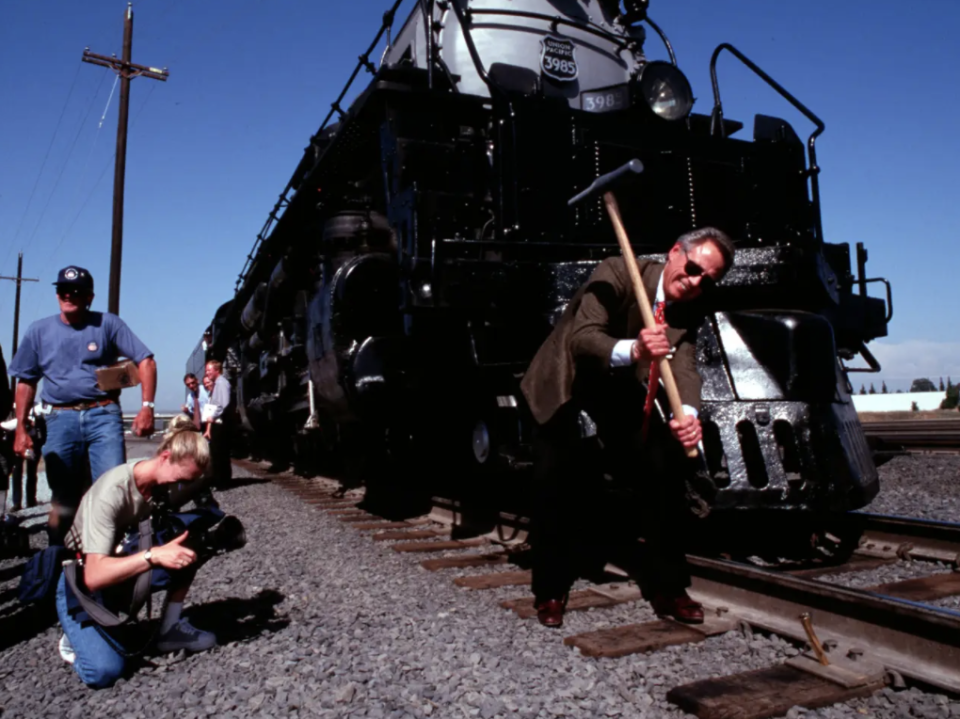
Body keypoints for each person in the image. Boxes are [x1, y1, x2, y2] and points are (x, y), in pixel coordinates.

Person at [520, 227, 735, 628]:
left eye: (707, 279)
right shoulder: (616, 271)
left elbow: (683, 364)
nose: (693, 282)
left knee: (663, 468)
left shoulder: (690, 305)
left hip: (619, 389)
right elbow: (582, 339)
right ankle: (549, 589)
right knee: (555, 478)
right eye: (691, 269)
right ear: (674, 252)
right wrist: (635, 348)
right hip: (567, 381)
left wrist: (685, 413)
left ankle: (669, 586)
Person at [56, 416, 217, 688]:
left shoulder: (156, 487)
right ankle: (75, 635)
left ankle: (169, 629)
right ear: (165, 457)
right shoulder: (113, 492)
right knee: (106, 670)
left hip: (118, 565)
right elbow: (93, 576)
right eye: (180, 479)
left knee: (190, 544)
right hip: (80, 580)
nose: (179, 488)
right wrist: (152, 555)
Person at [8, 266, 157, 545]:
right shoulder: (39, 331)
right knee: (63, 495)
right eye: (63, 290)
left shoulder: (108, 324)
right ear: (57, 295)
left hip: (103, 414)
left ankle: (110, 554)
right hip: (59, 418)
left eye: (76, 291)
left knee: (111, 487)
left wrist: (147, 406)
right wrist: (20, 428)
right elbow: (26, 381)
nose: (69, 295)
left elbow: (146, 360)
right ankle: (57, 557)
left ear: (89, 296)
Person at [203, 360, 232, 488]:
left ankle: (222, 482)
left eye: (209, 370)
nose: (207, 373)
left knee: (220, 453)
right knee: (217, 452)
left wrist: (212, 415)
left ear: (217, 370)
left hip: (220, 422)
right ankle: (220, 480)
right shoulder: (217, 384)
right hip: (217, 422)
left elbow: (223, 403)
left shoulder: (222, 383)